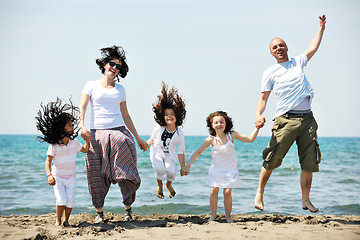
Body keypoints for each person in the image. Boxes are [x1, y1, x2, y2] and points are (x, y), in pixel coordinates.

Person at [254, 15, 326, 213]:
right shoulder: (270, 72)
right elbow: (263, 99)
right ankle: (259, 192)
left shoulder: (298, 62)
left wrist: (321, 28)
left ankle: (305, 200)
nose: (279, 48)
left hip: (308, 120)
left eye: (282, 45)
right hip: (285, 120)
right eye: (275, 47)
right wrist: (258, 115)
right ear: (271, 52)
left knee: (310, 161)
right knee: (273, 157)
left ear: (287, 48)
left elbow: (313, 47)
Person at [79, 45, 148, 223]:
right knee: (96, 174)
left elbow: (125, 115)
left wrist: (138, 138)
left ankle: (128, 209)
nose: (114, 67)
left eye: (118, 66)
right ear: (104, 64)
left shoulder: (121, 90)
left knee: (125, 170)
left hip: (118, 132)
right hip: (96, 134)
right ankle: (99, 213)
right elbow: (83, 107)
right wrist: (81, 126)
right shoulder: (91, 85)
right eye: (112, 63)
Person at [183, 111, 259, 223]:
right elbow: (198, 152)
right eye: (216, 122)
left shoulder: (231, 135)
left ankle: (228, 216)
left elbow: (249, 139)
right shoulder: (210, 139)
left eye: (222, 122)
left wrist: (257, 127)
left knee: (227, 192)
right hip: (216, 170)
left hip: (230, 170)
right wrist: (188, 165)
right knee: (214, 191)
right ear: (212, 125)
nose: (219, 124)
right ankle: (213, 216)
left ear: (226, 123)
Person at [35, 98, 90, 227]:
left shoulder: (74, 143)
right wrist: (49, 175)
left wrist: (87, 140)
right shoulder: (54, 145)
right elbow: (48, 161)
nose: (72, 127)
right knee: (61, 200)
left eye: (72, 125)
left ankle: (66, 221)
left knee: (70, 201)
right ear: (62, 128)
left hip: (71, 177)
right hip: (58, 176)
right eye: (70, 125)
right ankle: (58, 220)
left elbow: (86, 150)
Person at [147, 82, 186, 199]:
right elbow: (152, 139)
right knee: (159, 169)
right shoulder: (159, 128)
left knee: (171, 172)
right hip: (157, 153)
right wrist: (146, 145)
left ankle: (169, 185)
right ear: (162, 117)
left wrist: (183, 167)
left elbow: (181, 151)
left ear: (177, 116)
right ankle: (159, 185)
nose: (169, 116)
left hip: (169, 155)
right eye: (166, 114)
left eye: (172, 114)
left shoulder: (179, 133)